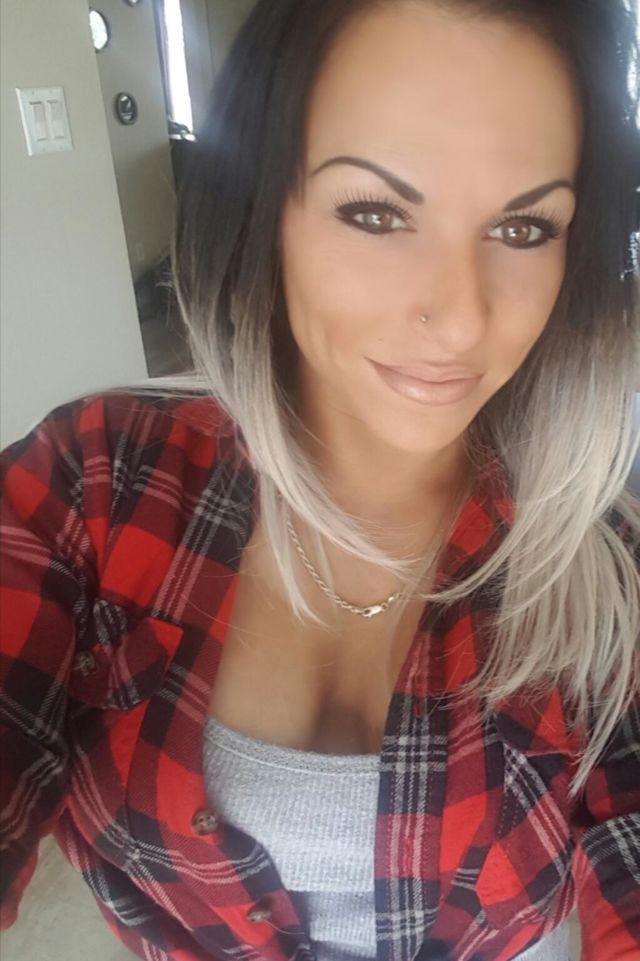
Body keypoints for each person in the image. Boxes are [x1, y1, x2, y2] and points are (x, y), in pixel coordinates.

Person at [1, 0, 639, 959]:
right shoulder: (96, 482)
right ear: (267, 212)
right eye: (376, 213)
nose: (461, 318)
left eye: (522, 227)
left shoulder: (608, 569)